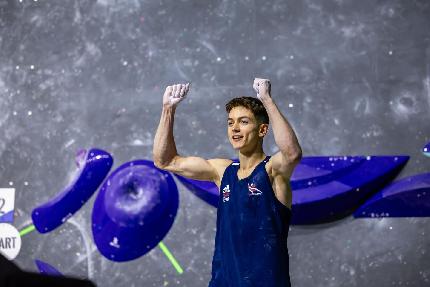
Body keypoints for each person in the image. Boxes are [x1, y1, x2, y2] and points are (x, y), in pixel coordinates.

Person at [153, 78, 302, 287]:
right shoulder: (222, 172)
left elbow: (292, 153)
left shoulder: (272, 171)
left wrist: (267, 100)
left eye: (244, 121)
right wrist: (168, 109)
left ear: (262, 130)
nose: (235, 128)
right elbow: (165, 160)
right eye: (230, 122)